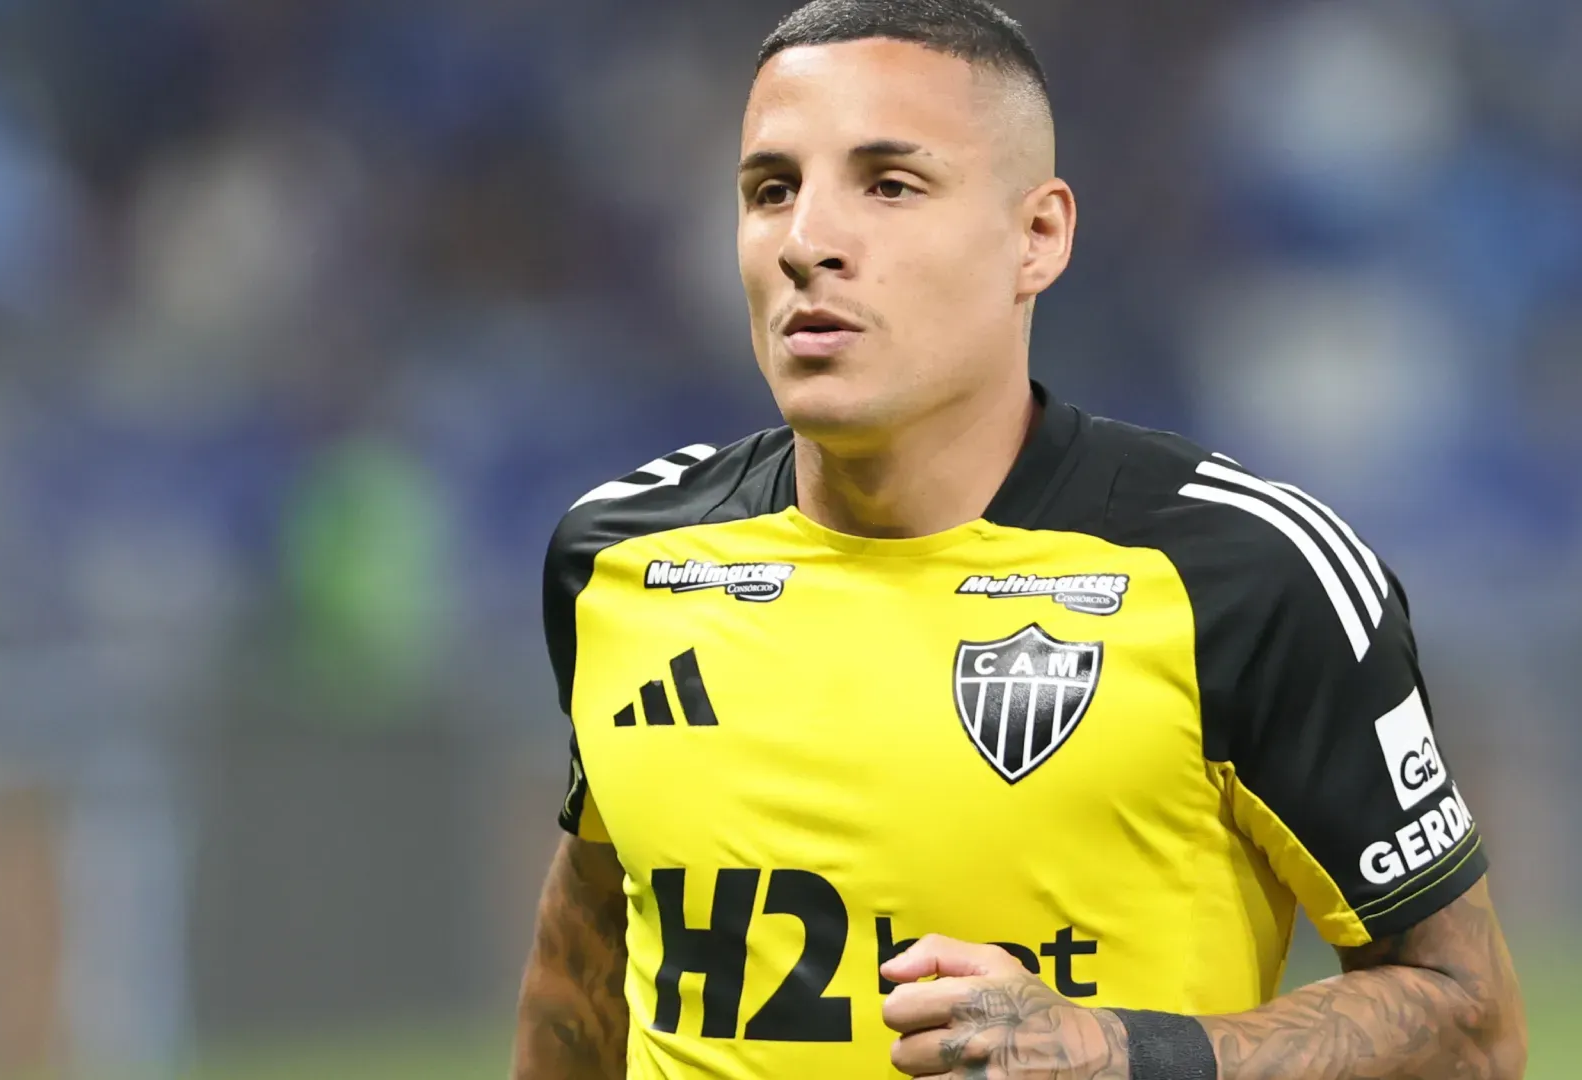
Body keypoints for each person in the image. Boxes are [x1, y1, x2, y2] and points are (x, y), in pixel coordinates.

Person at [510, 1, 1528, 1077]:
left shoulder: (1242, 576)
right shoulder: (620, 562)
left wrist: (1123, 1053)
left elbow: (1470, 1023)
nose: (808, 242)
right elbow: (582, 974)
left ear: (1037, 236)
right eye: (771, 190)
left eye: (889, 184)